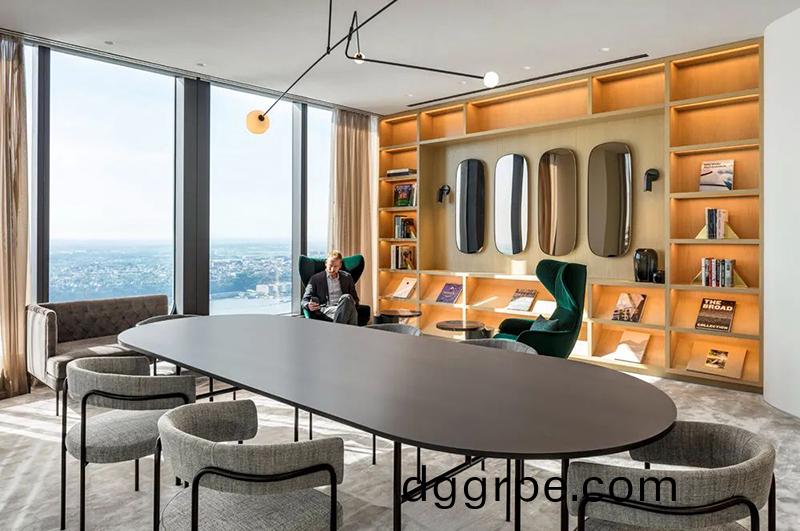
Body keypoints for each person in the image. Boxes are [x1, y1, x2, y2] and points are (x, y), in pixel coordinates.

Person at [301, 250, 359, 325]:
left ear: (340, 265)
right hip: (326, 309)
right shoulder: (315, 279)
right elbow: (304, 300)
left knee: (346, 298)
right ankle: (351, 331)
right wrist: (308, 305)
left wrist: (350, 303)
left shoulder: (347, 277)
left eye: (335, 266)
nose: (332, 269)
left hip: (343, 306)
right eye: (330, 265)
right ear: (326, 263)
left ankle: (336, 330)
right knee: (351, 310)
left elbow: (355, 298)